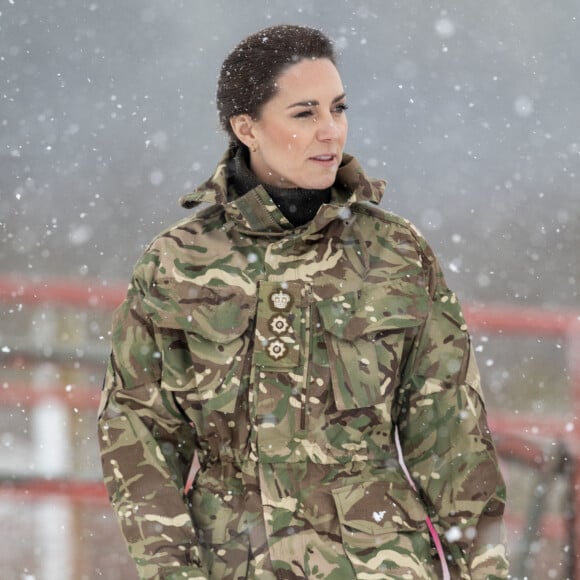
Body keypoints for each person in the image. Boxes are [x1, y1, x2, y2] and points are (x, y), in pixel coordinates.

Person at [98, 24, 508, 580]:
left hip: (378, 563)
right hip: (232, 560)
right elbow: (139, 439)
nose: (330, 132)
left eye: (338, 109)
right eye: (304, 113)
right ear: (247, 127)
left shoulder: (396, 253)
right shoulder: (176, 263)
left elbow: (453, 442)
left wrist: (482, 570)